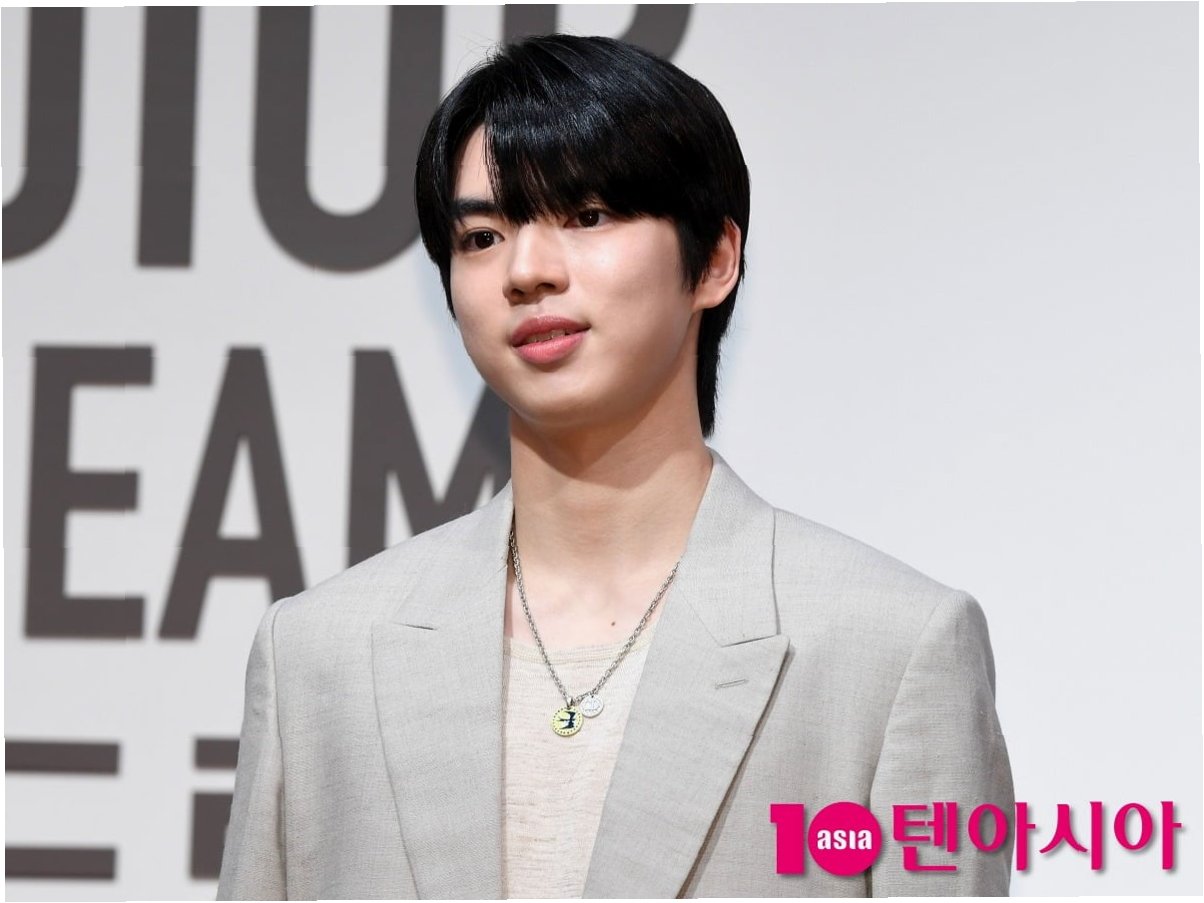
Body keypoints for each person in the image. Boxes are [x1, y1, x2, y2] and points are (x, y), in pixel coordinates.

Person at [216, 34, 1014, 899]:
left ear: (714, 261)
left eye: (587, 216)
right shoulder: (318, 655)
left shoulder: (890, 648)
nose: (526, 270)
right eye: (481, 235)